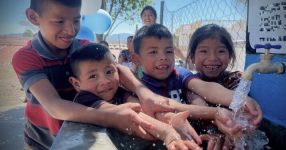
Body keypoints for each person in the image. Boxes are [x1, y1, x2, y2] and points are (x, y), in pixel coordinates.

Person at [12, 0, 174, 149]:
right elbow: (54, 105)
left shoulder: (82, 47)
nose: (71, 30)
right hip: (41, 141)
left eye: (76, 20)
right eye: (59, 21)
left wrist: (143, 92)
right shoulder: (26, 57)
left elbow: (117, 68)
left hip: (77, 132)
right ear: (33, 17)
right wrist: (111, 117)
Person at [132, 24, 263, 148]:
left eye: (168, 51)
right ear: (137, 60)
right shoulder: (138, 88)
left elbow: (206, 88)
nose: (163, 57)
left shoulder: (180, 75)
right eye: (153, 52)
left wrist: (238, 99)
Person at [68, 43, 201, 150]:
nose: (105, 81)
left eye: (109, 72)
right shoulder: (84, 98)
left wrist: (171, 119)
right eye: (93, 76)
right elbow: (133, 115)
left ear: (117, 70)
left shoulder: (117, 91)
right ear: (76, 84)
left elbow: (141, 107)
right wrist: (168, 133)